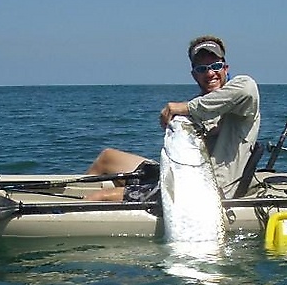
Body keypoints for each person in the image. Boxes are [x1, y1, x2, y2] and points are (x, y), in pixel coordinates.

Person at [85, 35, 261, 201]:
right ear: (194, 74)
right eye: (202, 69)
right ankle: (71, 201)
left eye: (215, 66)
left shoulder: (240, 98)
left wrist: (186, 108)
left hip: (205, 190)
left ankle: (77, 211)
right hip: (178, 175)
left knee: (100, 197)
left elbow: (247, 87)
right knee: (107, 158)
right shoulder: (194, 104)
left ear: (225, 68)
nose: (210, 74)